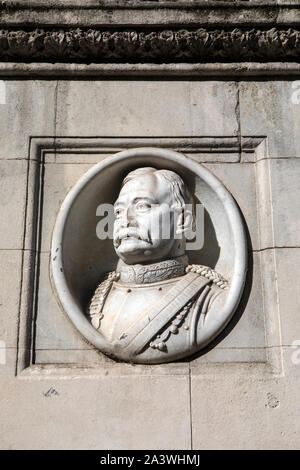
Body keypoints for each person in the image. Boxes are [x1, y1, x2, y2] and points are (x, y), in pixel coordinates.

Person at [88, 167, 228, 364]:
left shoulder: (212, 301)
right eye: (118, 211)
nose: (125, 220)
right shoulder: (97, 298)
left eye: (143, 206)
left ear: (183, 220)